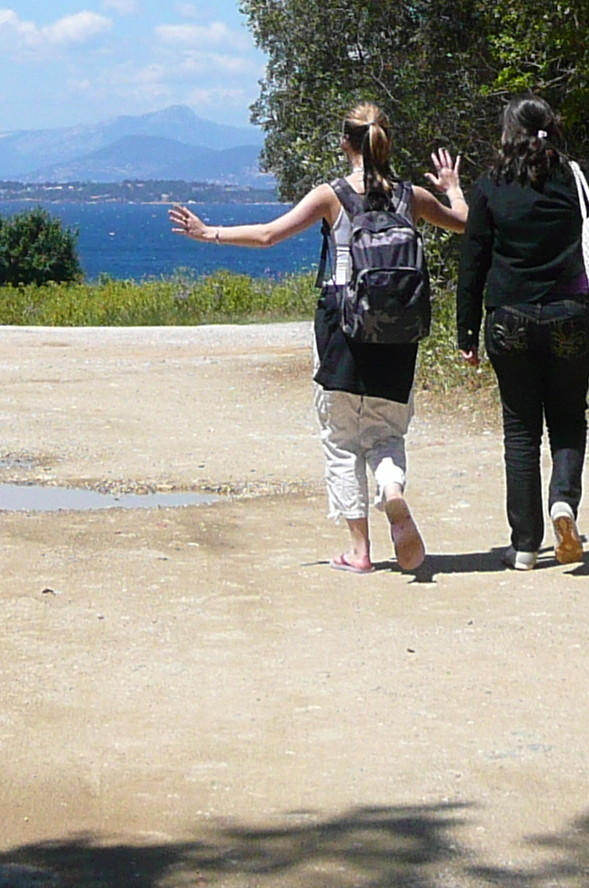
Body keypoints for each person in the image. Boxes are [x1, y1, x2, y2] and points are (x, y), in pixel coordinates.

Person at [170, 105, 463, 574]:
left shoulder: (333, 195)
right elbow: (464, 222)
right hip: (398, 334)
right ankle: (392, 490)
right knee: (386, 433)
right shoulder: (413, 196)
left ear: (346, 143)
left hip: (342, 328)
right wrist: (452, 188)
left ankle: (360, 551)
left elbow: (268, 236)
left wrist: (209, 233)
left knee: (342, 440)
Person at [451, 96, 589, 569]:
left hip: (509, 317)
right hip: (568, 313)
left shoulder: (490, 185)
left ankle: (524, 546)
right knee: (569, 419)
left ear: (507, 133)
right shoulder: (573, 179)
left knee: (520, 431)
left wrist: (466, 331)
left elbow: (472, 260)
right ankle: (563, 502)